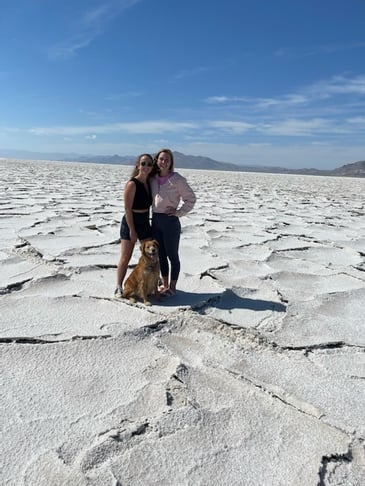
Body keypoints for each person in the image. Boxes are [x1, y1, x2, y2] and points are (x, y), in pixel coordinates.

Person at [150, 148, 196, 296]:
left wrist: (179, 213)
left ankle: (173, 287)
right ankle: (164, 284)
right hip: (156, 221)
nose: (163, 162)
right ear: (157, 160)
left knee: (172, 255)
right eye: (161, 159)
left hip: (170, 222)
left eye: (167, 160)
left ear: (171, 163)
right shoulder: (153, 178)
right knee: (160, 254)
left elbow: (190, 199)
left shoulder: (177, 179)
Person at [114, 153, 154, 297]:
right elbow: (127, 209)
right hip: (131, 221)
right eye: (143, 163)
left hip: (144, 221)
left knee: (150, 254)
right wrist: (132, 229)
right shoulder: (132, 184)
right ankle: (119, 286)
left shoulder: (149, 183)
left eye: (149, 164)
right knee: (126, 257)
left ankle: (151, 283)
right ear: (138, 166)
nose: (146, 166)